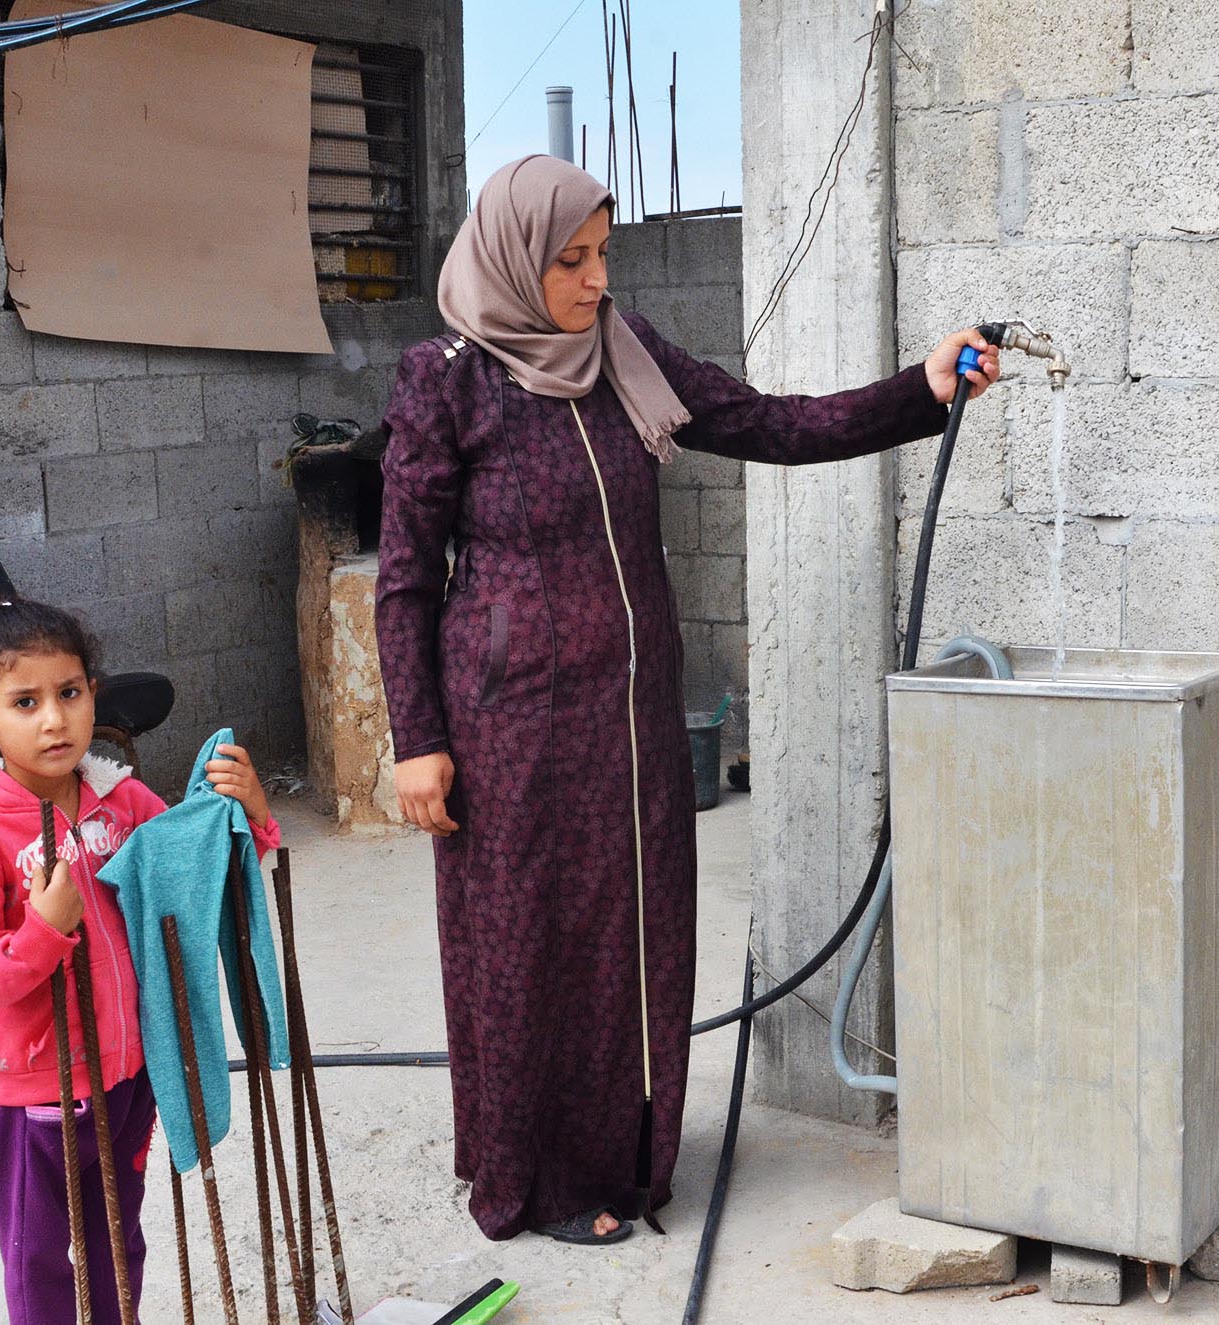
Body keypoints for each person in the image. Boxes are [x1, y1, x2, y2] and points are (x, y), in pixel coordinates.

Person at [375, 153, 1000, 1246]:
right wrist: (417, 737)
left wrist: (922, 389)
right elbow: (404, 577)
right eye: (569, 260)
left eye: (602, 253)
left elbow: (770, 423)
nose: (592, 279)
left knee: (630, 934)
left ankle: (618, 1156)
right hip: (508, 721)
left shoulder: (622, 353)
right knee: (526, 939)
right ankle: (537, 1176)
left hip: (629, 714)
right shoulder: (449, 379)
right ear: (516, 258)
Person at [0, 599, 280, 1324]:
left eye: (70, 692)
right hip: (41, 1094)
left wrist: (248, 814)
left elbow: (195, 862)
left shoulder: (121, 801)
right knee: (43, 1260)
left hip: (128, 1074)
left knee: (120, 1242)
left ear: (93, 693)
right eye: (25, 702)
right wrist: (44, 931)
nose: (54, 719)